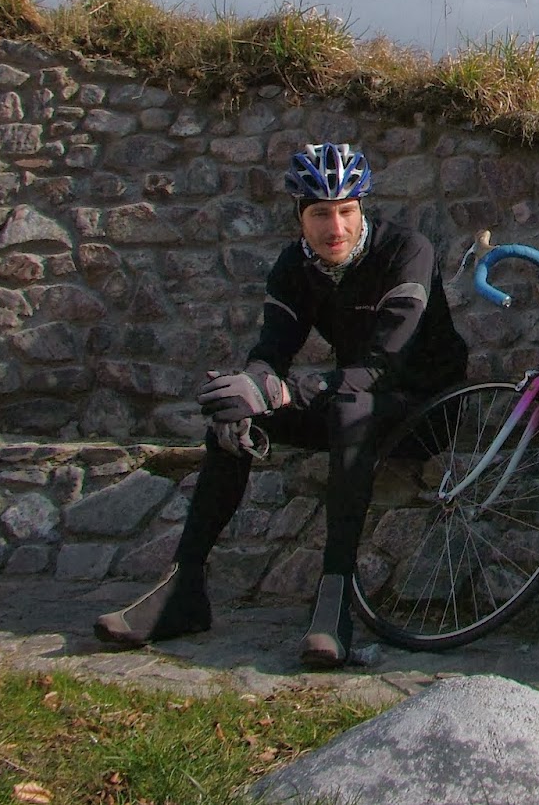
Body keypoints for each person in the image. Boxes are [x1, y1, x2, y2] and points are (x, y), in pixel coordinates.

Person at [95, 141, 469, 667]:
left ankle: (334, 603)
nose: (335, 228)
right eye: (320, 214)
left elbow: (382, 365)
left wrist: (285, 391)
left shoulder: (406, 251)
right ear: (299, 215)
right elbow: (272, 350)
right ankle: (183, 591)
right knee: (237, 414)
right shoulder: (294, 266)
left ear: (362, 208)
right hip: (351, 401)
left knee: (351, 408)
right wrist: (252, 386)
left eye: (346, 211)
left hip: (425, 410)